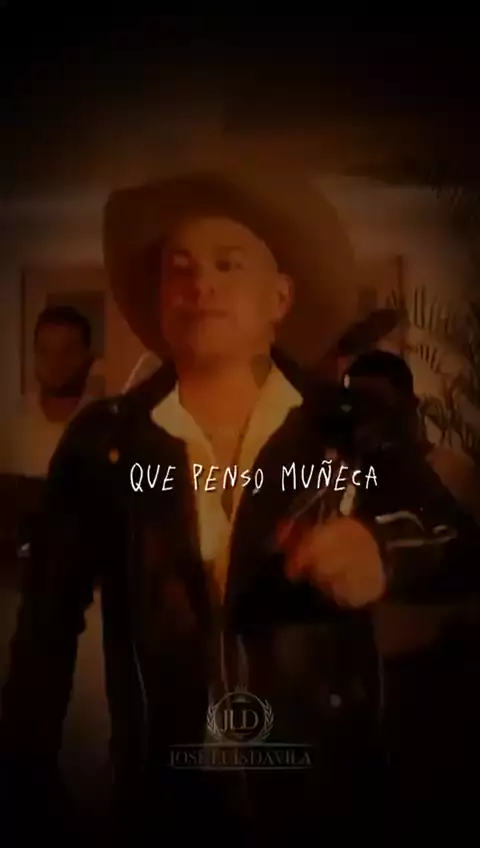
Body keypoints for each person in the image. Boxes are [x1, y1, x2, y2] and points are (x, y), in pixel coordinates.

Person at [1, 166, 478, 842]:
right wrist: (25, 786)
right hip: (163, 804)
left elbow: (459, 543)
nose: (201, 284)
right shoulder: (104, 444)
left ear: (280, 295)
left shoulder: (348, 428)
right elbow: (45, 630)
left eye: (228, 264)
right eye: (180, 269)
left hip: (328, 803)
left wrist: (382, 552)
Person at [2, 305, 96, 479]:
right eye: (45, 351)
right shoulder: (12, 427)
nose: (55, 362)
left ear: (88, 359)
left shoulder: (104, 423)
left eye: (68, 351)